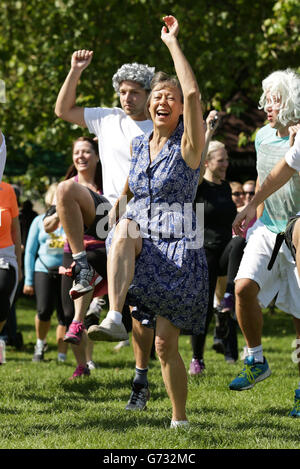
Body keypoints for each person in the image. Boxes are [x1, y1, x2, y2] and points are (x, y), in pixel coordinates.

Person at [88, 15, 208, 428]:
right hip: (141, 239)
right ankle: (115, 316)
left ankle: (179, 420)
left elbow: (192, 93)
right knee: (120, 228)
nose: (163, 101)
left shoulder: (190, 145)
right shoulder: (140, 145)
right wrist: (100, 235)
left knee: (163, 345)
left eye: (169, 97)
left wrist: (173, 44)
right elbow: (125, 195)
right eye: (157, 94)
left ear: (178, 110)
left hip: (177, 247)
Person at [55, 47, 156, 406]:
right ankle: (82, 262)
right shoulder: (107, 118)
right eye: (123, 92)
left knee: (142, 312)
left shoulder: (160, 125)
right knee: (65, 189)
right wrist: (75, 71)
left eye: (135, 93)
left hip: (146, 219)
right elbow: (63, 110)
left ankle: (141, 378)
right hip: (106, 211)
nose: (127, 98)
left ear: (149, 94)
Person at [228, 69, 300, 419]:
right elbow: (263, 177)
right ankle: (256, 359)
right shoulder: (260, 137)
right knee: (242, 289)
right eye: (266, 98)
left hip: (299, 232)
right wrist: (251, 208)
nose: (269, 105)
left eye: (276, 98)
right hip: (269, 229)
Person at [43, 137, 108, 378]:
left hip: (104, 251)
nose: (80, 156)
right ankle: (82, 366)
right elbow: (47, 226)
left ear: (98, 156)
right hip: (73, 253)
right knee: (69, 315)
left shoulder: (107, 182)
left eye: (86, 151)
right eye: (76, 152)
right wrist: (62, 212)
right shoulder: (66, 187)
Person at [189, 135, 237, 375]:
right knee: (203, 308)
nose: (226, 164)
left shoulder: (226, 187)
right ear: (207, 162)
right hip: (203, 252)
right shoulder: (199, 186)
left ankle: (228, 297)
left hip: (225, 250)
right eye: (221, 160)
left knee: (240, 242)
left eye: (227, 160)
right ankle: (197, 359)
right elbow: (195, 161)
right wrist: (207, 132)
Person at [23, 183, 66, 362]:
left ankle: (62, 355)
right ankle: (40, 346)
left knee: (65, 314)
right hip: (43, 270)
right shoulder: (38, 221)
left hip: (66, 272)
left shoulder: (71, 219)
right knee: (43, 310)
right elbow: (30, 251)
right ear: (50, 199)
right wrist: (28, 280)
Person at [0, 180, 22, 339]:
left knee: (2, 305)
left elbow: (16, 231)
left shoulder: (7, 190)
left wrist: (19, 266)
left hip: (5, 256)